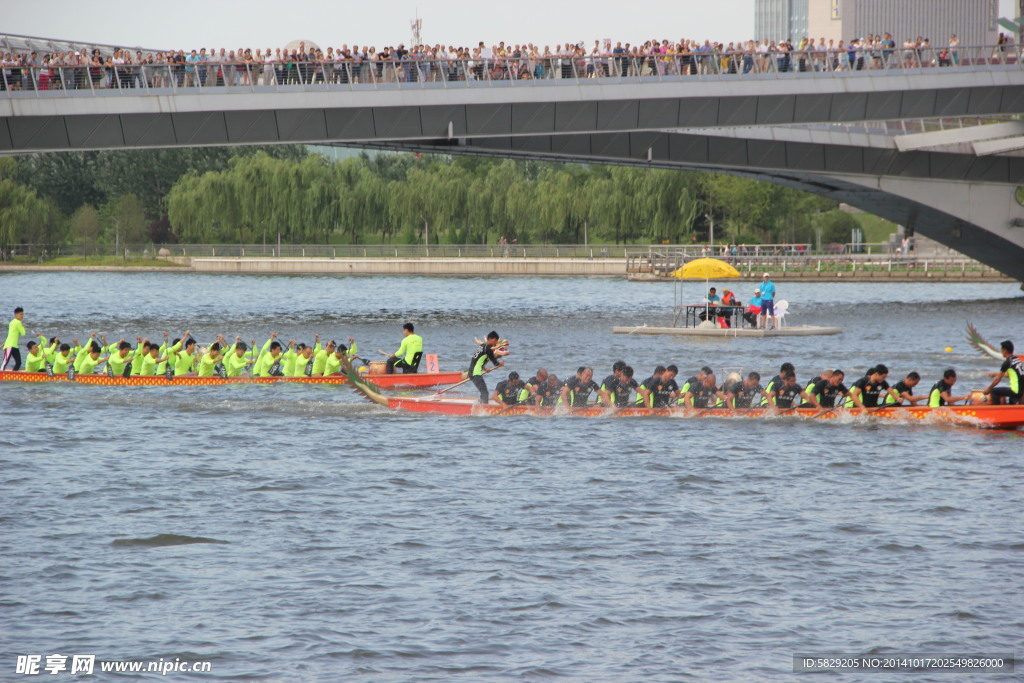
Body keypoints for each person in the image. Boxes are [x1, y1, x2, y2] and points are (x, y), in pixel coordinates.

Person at [467, 331, 505, 403]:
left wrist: (484, 368)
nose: (496, 343)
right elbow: (495, 363)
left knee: (484, 392)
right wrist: (500, 363)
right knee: (485, 393)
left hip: (472, 372)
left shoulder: (482, 346)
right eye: (495, 341)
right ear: (490, 339)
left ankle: (480, 404)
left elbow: (478, 359)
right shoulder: (488, 350)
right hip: (476, 374)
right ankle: (483, 408)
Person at [982, 340, 1024, 405]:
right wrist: (996, 374)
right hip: (1022, 390)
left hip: (1015, 391)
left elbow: (997, 379)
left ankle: (997, 411)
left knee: (994, 391)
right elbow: (1011, 374)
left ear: (1005, 350)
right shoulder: (1017, 359)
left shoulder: (1007, 363)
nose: (1001, 352)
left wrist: (988, 389)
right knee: (1010, 397)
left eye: (1001, 350)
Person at [2, 306, 26, 371]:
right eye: (21, 314)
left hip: (13, 345)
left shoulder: (12, 322)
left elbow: (10, 335)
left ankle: (12, 375)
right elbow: (23, 333)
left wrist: (3, 344)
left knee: (8, 362)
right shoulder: (18, 322)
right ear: (16, 314)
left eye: (22, 314)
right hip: (11, 345)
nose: (22, 316)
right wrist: (23, 327)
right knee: (14, 362)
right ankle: (2, 375)